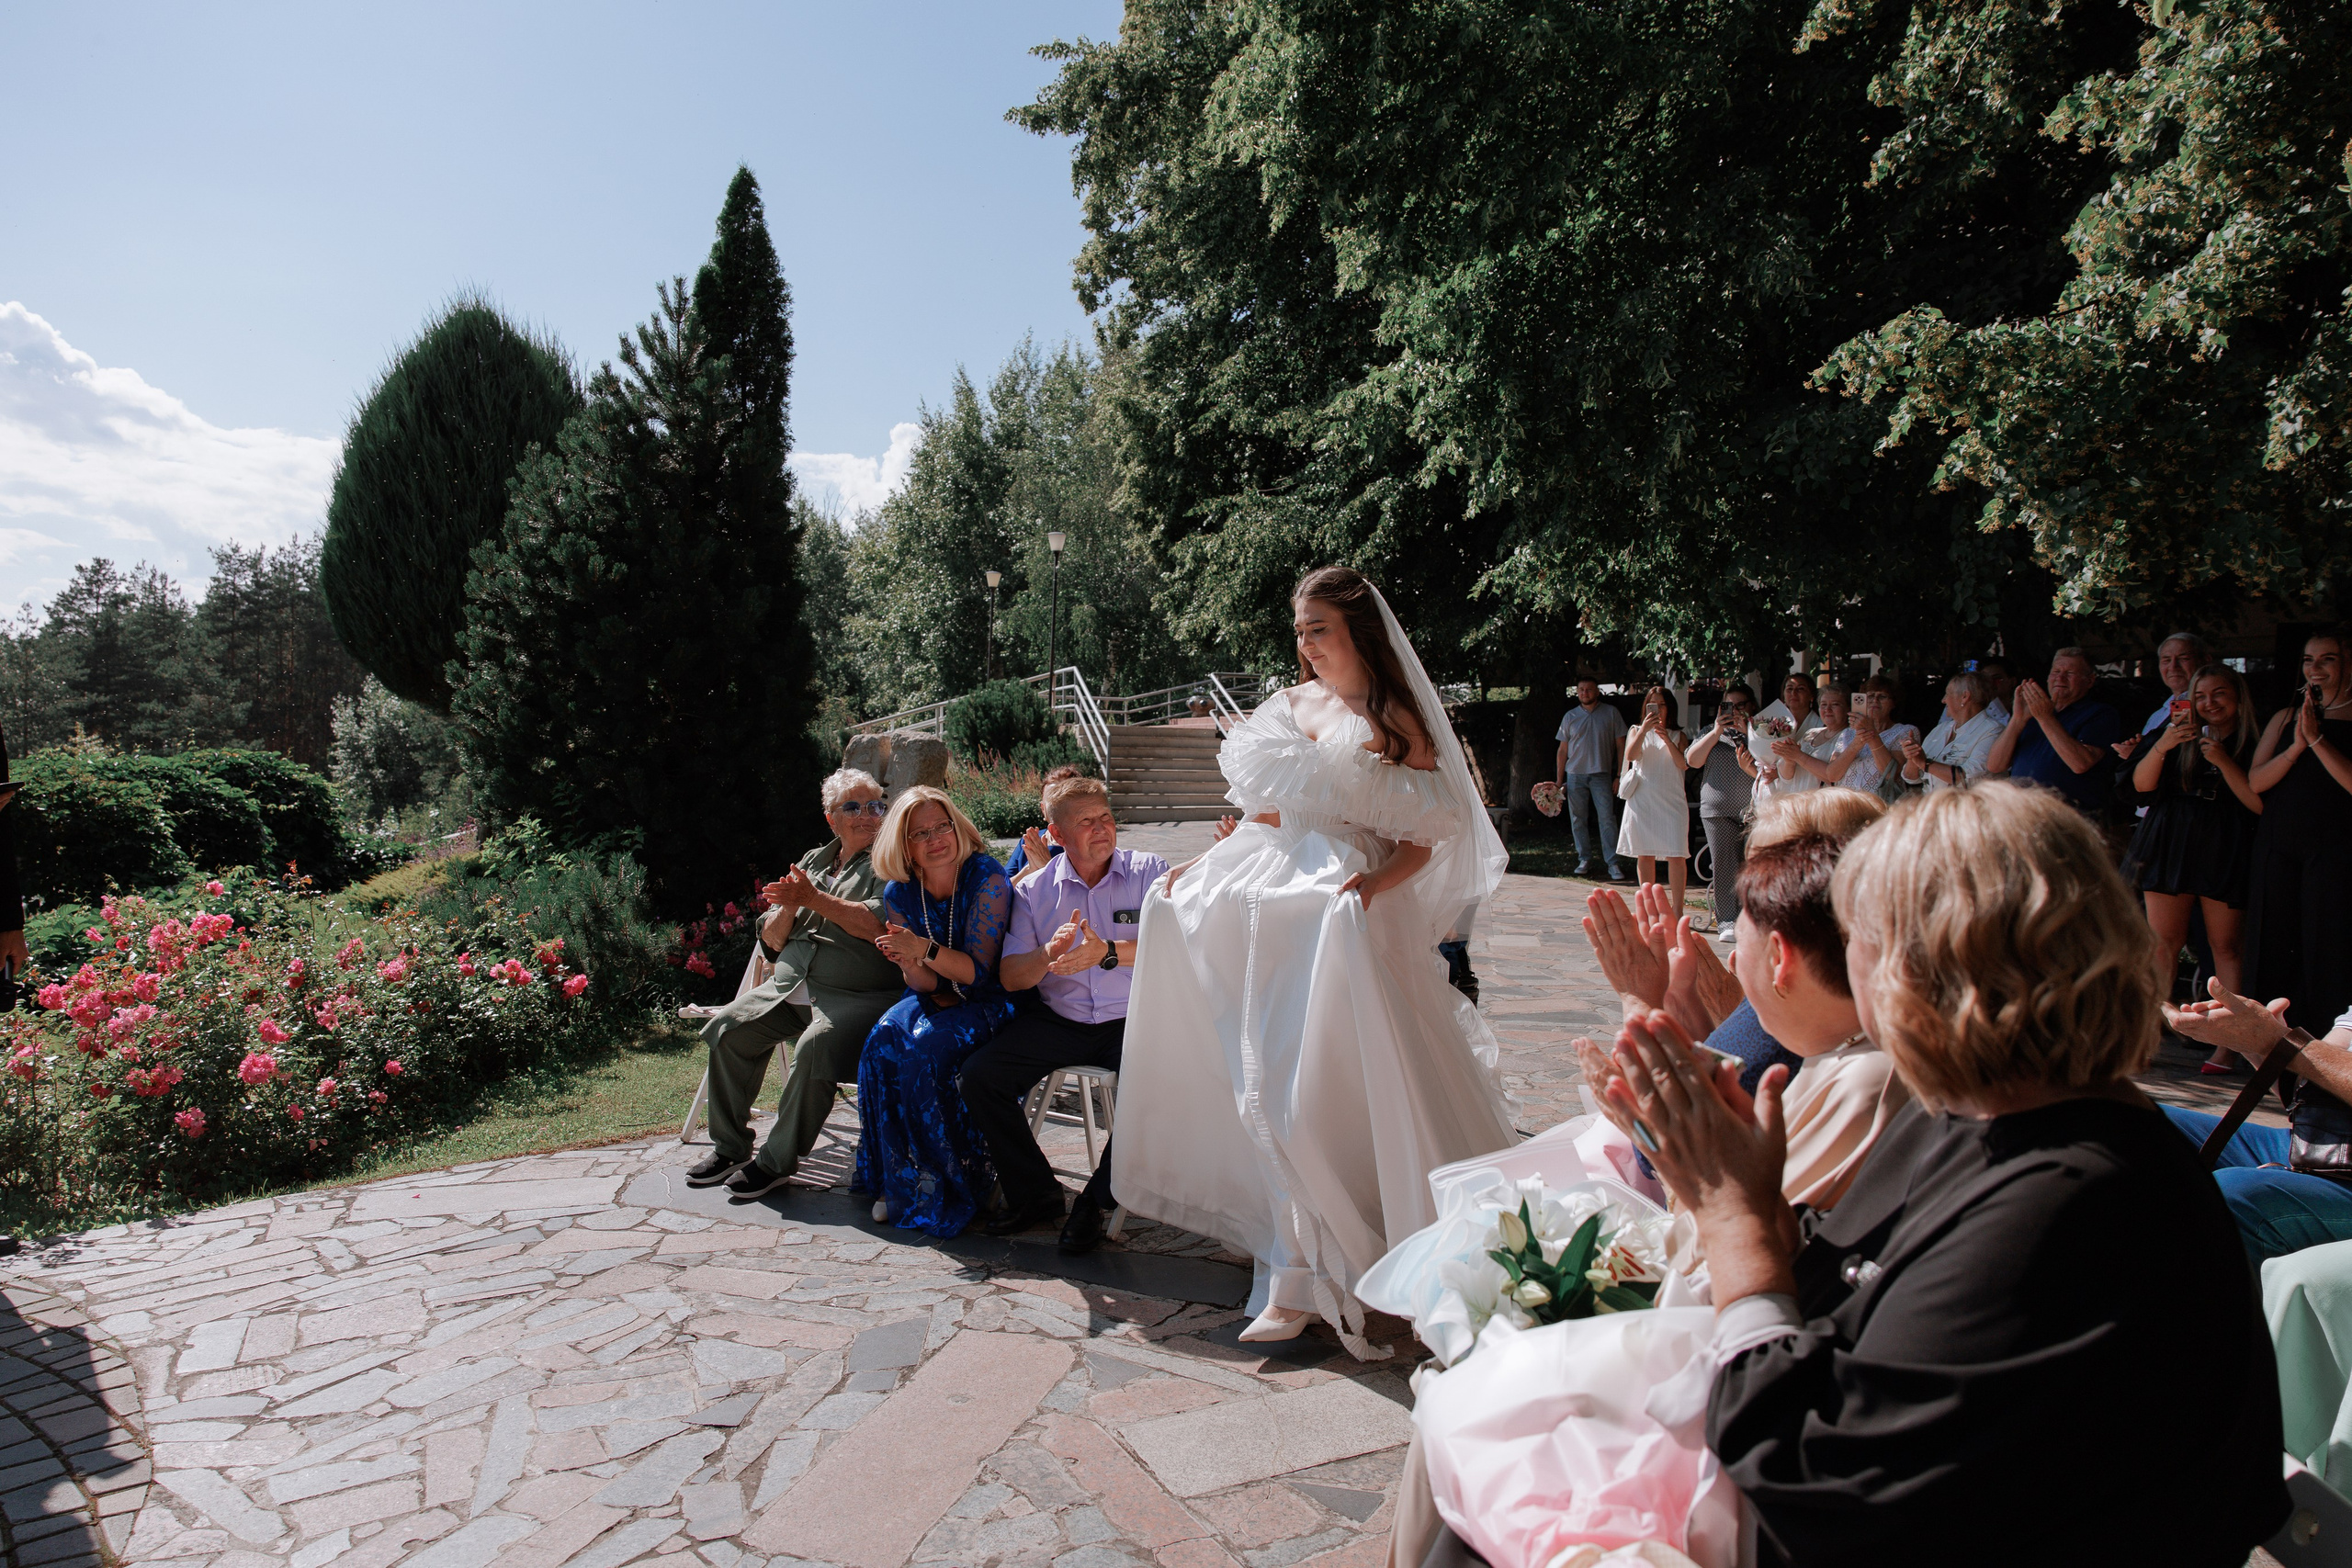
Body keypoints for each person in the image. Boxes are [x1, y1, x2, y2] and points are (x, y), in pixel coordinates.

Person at [1610, 784, 2287, 1566]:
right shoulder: (1980, 1115)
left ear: (1922, 966)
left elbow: (1813, 1483)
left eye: (1855, 934)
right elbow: (1845, 1282)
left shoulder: (2078, 1202)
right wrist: (1747, 1192)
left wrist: (1736, 1223)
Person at [1117, 566, 1517, 1354]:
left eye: (1318, 628)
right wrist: (1198, 868)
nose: (1304, 643)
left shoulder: (1393, 718)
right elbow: (1265, 813)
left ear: (1357, 631)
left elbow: (1422, 837)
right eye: (1299, 629)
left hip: (1342, 923)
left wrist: (1368, 887)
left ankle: (1352, 1255)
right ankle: (1291, 1258)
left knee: (1321, 1093)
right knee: (1257, 1084)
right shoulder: (1286, 708)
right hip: (1270, 909)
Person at [962, 771, 1168, 1252]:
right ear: (1055, 835)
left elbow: (1178, 941)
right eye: (1086, 822)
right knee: (979, 1076)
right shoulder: (1035, 891)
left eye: (1106, 817)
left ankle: (1095, 1202)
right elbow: (1012, 976)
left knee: (1162, 1085)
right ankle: (1035, 1194)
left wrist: (1108, 953)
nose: (1102, 829)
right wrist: (1047, 957)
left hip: (1132, 1017)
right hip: (1060, 1018)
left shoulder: (1147, 870)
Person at [687, 769, 906, 1201]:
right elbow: (771, 939)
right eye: (854, 807)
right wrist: (786, 910)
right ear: (831, 818)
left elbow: (875, 923)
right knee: (730, 1030)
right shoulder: (813, 860)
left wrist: (809, 899)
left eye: (877, 805)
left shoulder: (893, 863)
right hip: (789, 989)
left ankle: (775, 1163)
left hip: (859, 997)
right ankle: (731, 1149)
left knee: (814, 1047)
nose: (869, 816)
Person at [852, 786, 1015, 1237]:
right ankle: (897, 1179)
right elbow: (925, 983)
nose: (936, 838)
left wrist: (921, 949)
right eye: (921, 833)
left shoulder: (986, 877)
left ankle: (950, 1182)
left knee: (926, 1050)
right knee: (881, 1042)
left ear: (956, 826)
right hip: (937, 997)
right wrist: (909, 962)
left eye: (941, 826)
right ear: (904, 846)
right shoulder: (900, 893)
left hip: (990, 1000)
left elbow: (978, 972)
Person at [2123, 664, 2262, 1073]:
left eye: (2219, 694)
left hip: (2226, 839)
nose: (2209, 703)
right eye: (2201, 696)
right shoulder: (2175, 732)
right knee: (2160, 944)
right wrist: (2164, 743)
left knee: (2225, 947)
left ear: (2238, 696)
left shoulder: (2254, 738)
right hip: (2170, 836)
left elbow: (2257, 803)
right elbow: (2139, 786)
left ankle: (2228, 1047)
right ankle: (2145, 1039)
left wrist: (2221, 758)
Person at [2164, 985, 2352, 1265]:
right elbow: (2310, 1092)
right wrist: (2257, 1046)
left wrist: (2280, 1041)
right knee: (2134, 1119)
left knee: (2236, 1193)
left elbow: (2310, 1056)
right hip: (2315, 1149)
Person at [2245, 627, 2352, 1042]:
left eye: (2327, 659)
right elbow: (2256, 781)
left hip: (2336, 846)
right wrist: (2296, 746)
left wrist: (2319, 741)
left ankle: (2330, 1046)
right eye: (2309, 660)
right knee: (2274, 940)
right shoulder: (2286, 716)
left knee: (2328, 942)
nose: (2316, 669)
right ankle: (2269, 1040)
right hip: (2280, 843)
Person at [1984, 646, 2126, 814]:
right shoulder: (2033, 713)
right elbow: (1995, 766)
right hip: (2022, 814)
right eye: (2056, 672)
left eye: (2070, 673)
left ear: (2089, 681)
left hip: (2069, 817)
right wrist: (2017, 719)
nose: (2061, 678)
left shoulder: (2100, 714)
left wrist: (2045, 717)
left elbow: (2080, 764)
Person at [1685, 685, 1758, 924]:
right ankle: (1726, 920)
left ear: (1751, 707)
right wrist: (1717, 730)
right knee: (1723, 866)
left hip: (1754, 811)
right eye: (1729, 706)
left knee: (1754, 867)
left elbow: (1768, 761)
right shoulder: (1710, 731)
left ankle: (1750, 920)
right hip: (1718, 811)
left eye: (1740, 705)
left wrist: (1748, 732)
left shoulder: (1760, 732)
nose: (1735, 711)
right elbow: (1692, 760)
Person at [1614, 685, 1690, 908]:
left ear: (1670, 708)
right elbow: (1631, 755)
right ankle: (1648, 907)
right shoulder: (1636, 730)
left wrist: (1667, 739)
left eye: (1662, 705)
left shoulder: (1679, 735)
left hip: (1672, 799)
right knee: (1645, 854)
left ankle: (1677, 910)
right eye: (1652, 704)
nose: (1657, 710)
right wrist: (1645, 730)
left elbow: (1682, 765)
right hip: (1643, 800)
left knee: (1677, 855)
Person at [1553, 676, 1630, 883]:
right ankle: (1584, 859)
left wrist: (1620, 775)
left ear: (1597, 691)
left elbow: (1622, 745)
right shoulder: (1570, 716)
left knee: (1607, 819)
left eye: (1588, 689)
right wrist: (1559, 782)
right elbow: (1562, 750)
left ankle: (1612, 862)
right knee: (1578, 819)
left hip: (1602, 775)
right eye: (1580, 690)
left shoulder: (1611, 713)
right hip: (1575, 775)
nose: (1584, 693)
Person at [1895, 670, 2001, 792]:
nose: (1943, 700)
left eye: (1948, 693)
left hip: (1968, 808)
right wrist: (1912, 756)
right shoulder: (1940, 730)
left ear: (1965, 697)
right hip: (1935, 807)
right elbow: (1911, 778)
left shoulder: (1992, 731)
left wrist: (1925, 763)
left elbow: (1966, 777)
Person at [2118, 630, 2214, 761]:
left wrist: (2141, 754)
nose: (2173, 666)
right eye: (2166, 660)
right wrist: (2140, 749)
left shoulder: (2212, 706)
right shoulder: (2158, 716)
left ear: (2205, 661)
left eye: (2183, 658)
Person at [1747, 672, 1824, 803]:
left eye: (1800, 689)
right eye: (1789, 689)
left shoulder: (1821, 726)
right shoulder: (1771, 723)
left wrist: (1780, 772)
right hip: (1776, 793)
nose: (1794, 693)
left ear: (1811, 696)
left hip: (1806, 794)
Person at [1838, 674, 1917, 797]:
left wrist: (1871, 733)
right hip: (1849, 804)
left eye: (1882, 696)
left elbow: (1891, 774)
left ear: (1894, 703)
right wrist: (1855, 744)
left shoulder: (1905, 731)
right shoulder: (1847, 733)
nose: (1875, 701)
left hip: (1881, 806)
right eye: (1870, 696)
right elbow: (1832, 775)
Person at [1769, 680, 1849, 797]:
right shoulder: (1811, 734)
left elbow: (1832, 777)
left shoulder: (1848, 737)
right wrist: (1789, 760)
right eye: (1823, 705)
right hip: (1797, 804)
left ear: (1848, 708)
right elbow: (1786, 778)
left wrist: (1798, 756)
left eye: (1835, 704)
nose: (1828, 710)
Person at [1977, 653, 2019, 726]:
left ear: (2012, 682)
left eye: (1996, 678)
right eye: (1985, 679)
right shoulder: (1977, 715)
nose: (1990, 683)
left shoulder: (2021, 712)